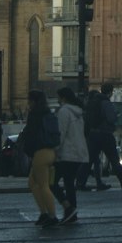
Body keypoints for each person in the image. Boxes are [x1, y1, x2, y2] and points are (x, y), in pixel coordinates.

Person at [20, 90, 60, 227]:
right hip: (50, 152)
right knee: (33, 183)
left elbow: (30, 135)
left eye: (29, 100)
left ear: (33, 101)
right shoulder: (48, 113)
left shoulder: (35, 114)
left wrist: (26, 149)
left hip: (40, 153)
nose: (28, 103)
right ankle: (44, 213)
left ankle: (52, 216)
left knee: (43, 185)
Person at [54, 86, 89, 225]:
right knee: (69, 183)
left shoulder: (64, 112)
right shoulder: (78, 113)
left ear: (63, 98)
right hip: (78, 153)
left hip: (67, 153)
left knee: (51, 182)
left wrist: (55, 150)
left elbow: (60, 133)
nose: (57, 100)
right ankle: (71, 212)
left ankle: (68, 208)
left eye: (58, 97)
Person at [97, 82, 122, 192]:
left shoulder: (96, 101)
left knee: (92, 160)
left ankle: (82, 182)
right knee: (114, 160)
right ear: (110, 92)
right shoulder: (106, 103)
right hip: (105, 134)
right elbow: (111, 118)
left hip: (94, 134)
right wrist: (116, 115)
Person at [79, 89, 110, 191]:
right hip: (91, 137)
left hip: (88, 137)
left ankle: (86, 182)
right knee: (91, 161)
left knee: (92, 161)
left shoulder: (87, 107)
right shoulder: (93, 107)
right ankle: (90, 182)